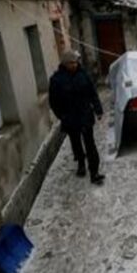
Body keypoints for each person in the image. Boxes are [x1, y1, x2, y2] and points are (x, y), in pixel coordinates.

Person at [49, 50, 105, 185]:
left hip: (85, 115)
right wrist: (62, 116)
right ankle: (81, 163)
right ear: (65, 64)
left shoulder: (83, 75)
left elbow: (92, 93)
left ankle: (94, 172)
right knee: (76, 143)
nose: (74, 65)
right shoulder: (57, 80)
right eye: (71, 63)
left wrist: (98, 110)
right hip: (70, 118)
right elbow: (53, 101)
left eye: (75, 62)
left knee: (90, 144)